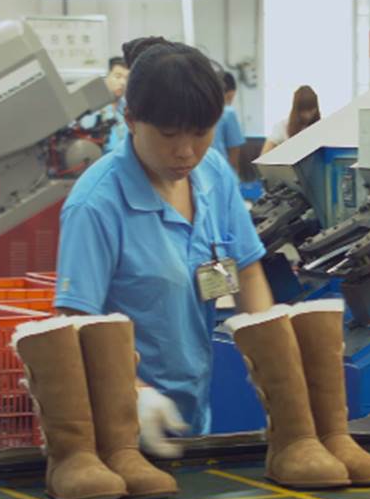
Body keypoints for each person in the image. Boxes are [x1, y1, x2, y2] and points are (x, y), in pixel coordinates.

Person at [53, 36, 274, 448]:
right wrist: (134, 392)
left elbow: (246, 269)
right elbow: (74, 322)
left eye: (201, 133)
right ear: (132, 119)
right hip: (115, 428)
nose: (187, 152)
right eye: (170, 135)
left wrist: (276, 365)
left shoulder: (213, 175)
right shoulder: (97, 204)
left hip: (192, 417)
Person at [261, 85, 320, 155]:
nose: (307, 115)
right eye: (303, 111)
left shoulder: (321, 127)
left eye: (311, 110)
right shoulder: (282, 127)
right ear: (296, 110)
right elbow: (264, 155)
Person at [209, 71, 245, 173]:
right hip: (220, 168)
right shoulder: (228, 112)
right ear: (231, 93)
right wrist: (234, 176)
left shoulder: (200, 109)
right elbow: (234, 149)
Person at [101, 56, 130, 154]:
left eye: (126, 78)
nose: (122, 82)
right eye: (118, 76)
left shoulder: (130, 109)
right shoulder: (93, 111)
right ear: (107, 77)